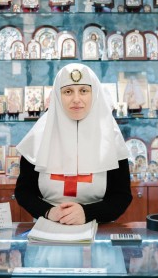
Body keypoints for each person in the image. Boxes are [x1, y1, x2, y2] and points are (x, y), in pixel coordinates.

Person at [15, 63, 132, 225]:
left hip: (97, 227)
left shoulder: (110, 136)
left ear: (95, 94)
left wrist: (87, 213)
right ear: (57, 95)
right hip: (48, 226)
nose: (76, 99)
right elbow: (24, 192)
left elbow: (121, 196)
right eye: (68, 91)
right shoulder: (39, 136)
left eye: (84, 91)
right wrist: (49, 211)